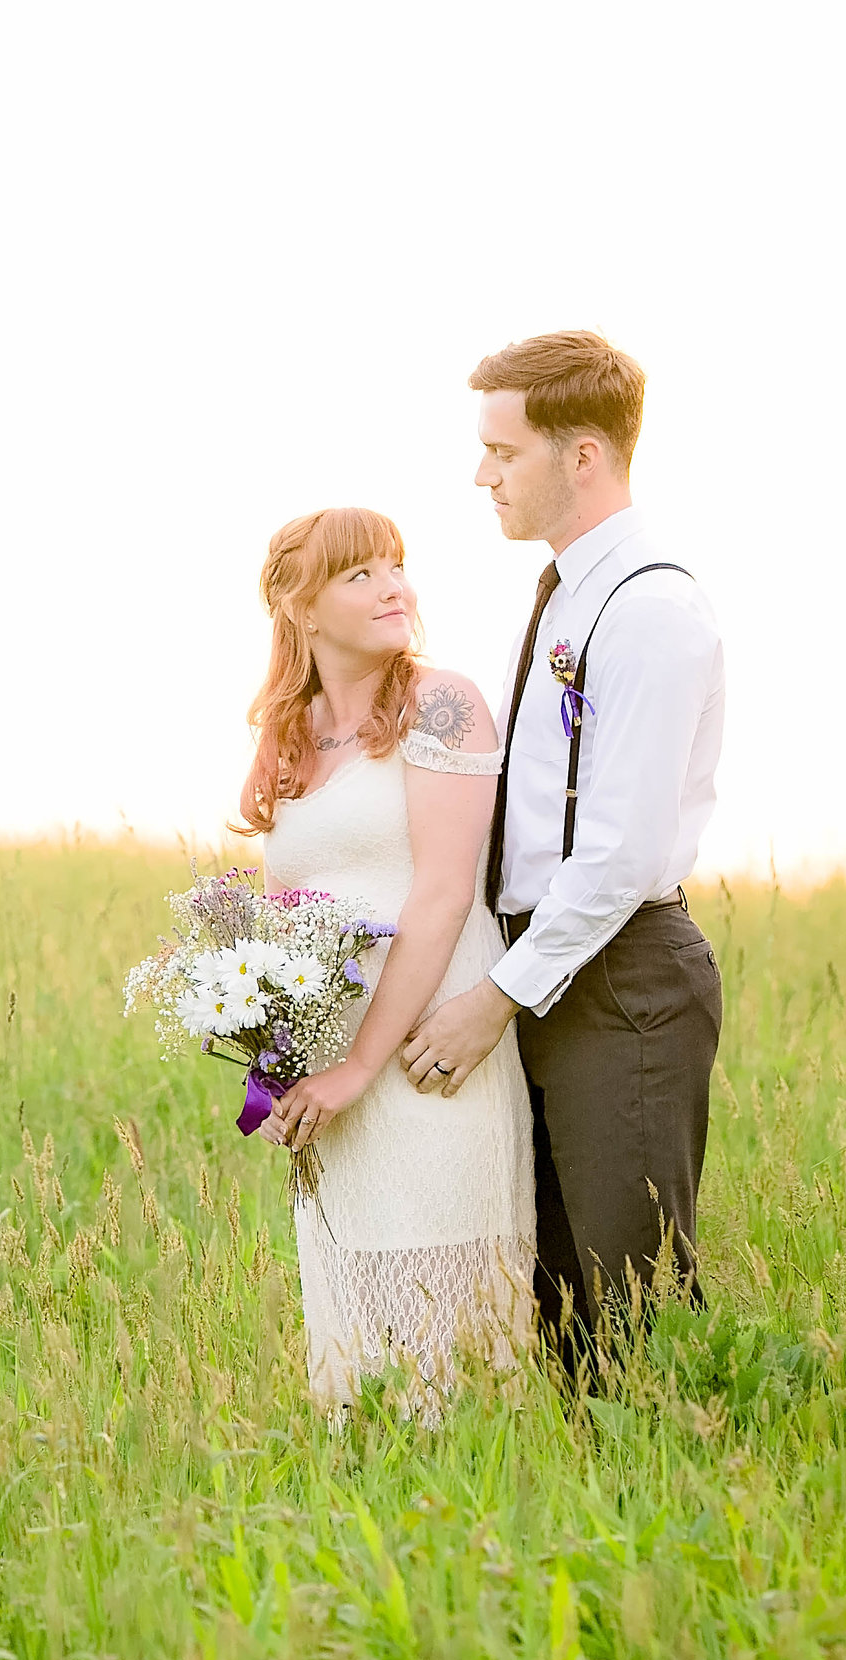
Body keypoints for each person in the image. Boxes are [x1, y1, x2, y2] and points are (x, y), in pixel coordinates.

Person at [398, 331, 726, 1377]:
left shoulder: (652, 611)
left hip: (620, 976)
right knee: (555, 1303)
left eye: (503, 451)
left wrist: (494, 995)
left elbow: (619, 855)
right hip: (547, 966)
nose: (480, 474)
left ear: (581, 456)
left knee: (630, 1298)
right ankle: (588, 1517)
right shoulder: (562, 595)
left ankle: (667, 1506)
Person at [244, 507, 534, 1415]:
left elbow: (445, 892)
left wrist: (361, 1065)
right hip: (328, 1071)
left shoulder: (439, 702)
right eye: (359, 573)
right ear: (301, 605)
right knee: (353, 1318)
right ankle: (363, 1497)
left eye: (396, 566)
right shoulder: (290, 733)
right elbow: (285, 908)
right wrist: (277, 1054)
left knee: (441, 1304)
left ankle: (467, 1508)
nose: (393, 586)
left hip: (421, 1049)